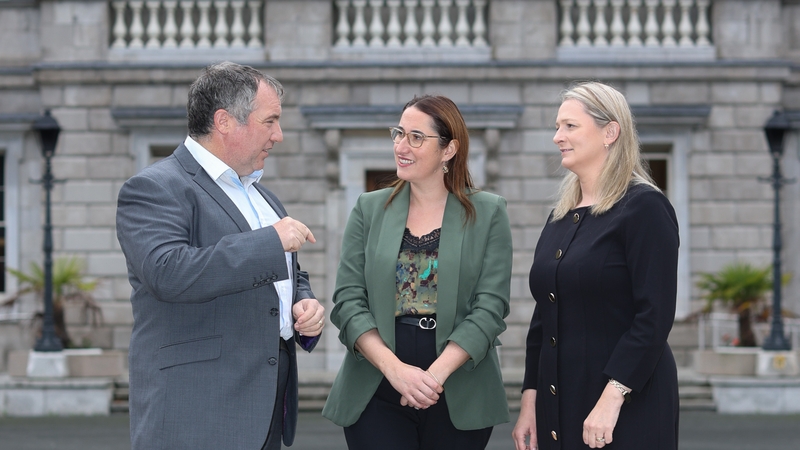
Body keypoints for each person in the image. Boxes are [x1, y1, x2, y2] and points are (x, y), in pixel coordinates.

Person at [116, 62, 325, 450]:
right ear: (224, 121)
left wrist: (303, 302)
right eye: (270, 121)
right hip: (196, 413)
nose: (278, 135)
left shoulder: (262, 195)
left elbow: (285, 271)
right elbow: (167, 272)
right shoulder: (153, 188)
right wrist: (270, 241)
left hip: (265, 407)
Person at [322, 95, 512, 449]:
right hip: (378, 381)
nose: (400, 146)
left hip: (458, 384)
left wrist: (432, 377)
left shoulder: (489, 212)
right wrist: (396, 371)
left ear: (448, 149)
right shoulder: (368, 208)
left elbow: (490, 307)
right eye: (398, 133)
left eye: (416, 137)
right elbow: (348, 301)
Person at [512, 82, 680, 450]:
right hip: (559, 402)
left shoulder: (645, 207)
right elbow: (543, 318)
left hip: (626, 403)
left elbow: (654, 316)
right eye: (557, 127)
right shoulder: (559, 217)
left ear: (610, 132)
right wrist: (530, 401)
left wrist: (614, 395)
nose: (558, 137)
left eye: (570, 126)